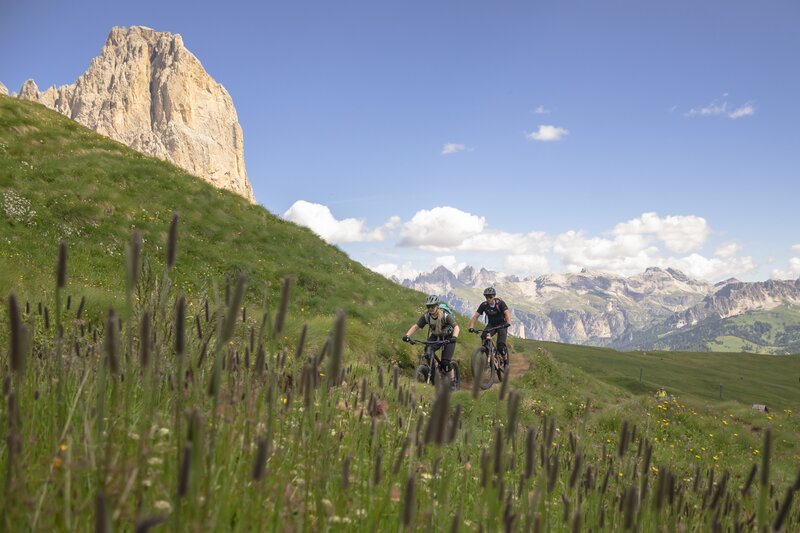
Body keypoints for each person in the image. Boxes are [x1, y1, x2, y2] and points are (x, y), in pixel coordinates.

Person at [403, 294, 460, 390]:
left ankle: (452, 382)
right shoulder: (426, 317)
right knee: (428, 353)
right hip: (436, 336)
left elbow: (456, 327)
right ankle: (433, 377)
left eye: (433, 306)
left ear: (437, 306)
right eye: (428, 306)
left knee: (445, 362)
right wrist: (407, 335)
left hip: (449, 337)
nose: (431, 308)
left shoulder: (445, 316)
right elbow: (416, 326)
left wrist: (454, 337)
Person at [468, 287, 512, 366]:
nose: (488, 299)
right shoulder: (484, 305)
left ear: (494, 297)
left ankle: (505, 361)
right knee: (484, 336)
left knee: (501, 345)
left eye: (490, 297)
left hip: (502, 324)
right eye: (486, 297)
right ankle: (490, 355)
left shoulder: (500, 303)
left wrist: (508, 322)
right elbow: (475, 316)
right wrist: (471, 326)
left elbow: (507, 313)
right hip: (491, 324)